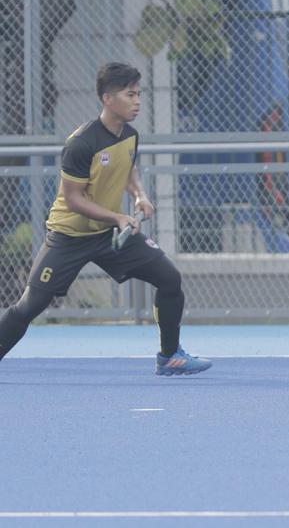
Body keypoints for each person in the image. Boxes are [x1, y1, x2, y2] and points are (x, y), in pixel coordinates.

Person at [0, 62, 212, 376]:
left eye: (139, 94)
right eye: (130, 94)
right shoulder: (81, 143)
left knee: (169, 279)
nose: (137, 101)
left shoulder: (130, 135)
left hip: (108, 235)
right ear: (108, 99)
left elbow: (127, 168)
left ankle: (169, 357)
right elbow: (74, 199)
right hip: (68, 236)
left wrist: (140, 194)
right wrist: (118, 217)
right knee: (29, 307)